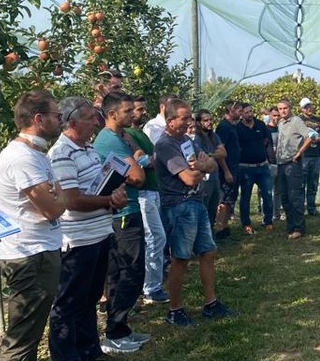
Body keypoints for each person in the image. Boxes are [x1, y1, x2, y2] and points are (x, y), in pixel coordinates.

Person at [47, 97, 130, 358]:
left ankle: (89, 350)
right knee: (69, 303)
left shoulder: (90, 149)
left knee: (90, 298)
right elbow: (71, 200)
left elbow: (100, 186)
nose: (97, 122)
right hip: (78, 240)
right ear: (72, 122)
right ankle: (66, 355)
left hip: (99, 234)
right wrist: (108, 200)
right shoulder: (61, 154)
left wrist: (117, 196)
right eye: (91, 118)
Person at [0, 90, 67, 361]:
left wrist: (59, 195)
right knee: (22, 338)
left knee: (31, 331)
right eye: (56, 115)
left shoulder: (37, 155)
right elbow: (54, 207)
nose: (60, 120)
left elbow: (57, 196)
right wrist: (60, 196)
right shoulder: (23, 158)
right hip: (28, 255)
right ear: (38, 118)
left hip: (38, 251)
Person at [154, 99, 235, 326]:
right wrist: (200, 167)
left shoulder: (187, 141)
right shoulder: (165, 145)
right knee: (180, 258)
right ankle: (174, 310)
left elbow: (211, 164)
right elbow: (189, 178)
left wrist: (199, 166)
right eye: (184, 117)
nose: (189, 121)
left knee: (208, 252)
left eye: (190, 117)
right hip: (179, 207)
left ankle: (211, 303)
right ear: (170, 121)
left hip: (197, 203)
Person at [92, 91, 150, 352]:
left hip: (128, 211)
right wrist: (136, 164)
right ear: (112, 114)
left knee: (129, 272)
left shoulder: (119, 136)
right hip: (123, 215)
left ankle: (121, 328)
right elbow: (138, 177)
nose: (133, 114)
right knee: (128, 272)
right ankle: (114, 332)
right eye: (127, 111)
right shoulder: (108, 140)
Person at [128, 96, 169, 304]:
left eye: (143, 109)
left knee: (155, 237)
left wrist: (148, 159)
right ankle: (151, 287)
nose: (142, 112)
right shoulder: (128, 134)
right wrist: (146, 160)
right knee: (155, 237)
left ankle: (152, 283)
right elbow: (144, 160)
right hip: (142, 193)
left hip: (153, 190)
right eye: (137, 109)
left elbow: (150, 158)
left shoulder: (138, 134)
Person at [275, 99, 313, 240]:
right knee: (285, 197)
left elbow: (310, 137)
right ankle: (290, 226)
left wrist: (299, 152)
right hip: (281, 164)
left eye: (285, 108)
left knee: (294, 196)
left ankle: (299, 228)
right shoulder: (280, 123)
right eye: (280, 109)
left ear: (290, 108)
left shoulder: (296, 121)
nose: (282, 111)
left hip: (293, 164)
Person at [235, 103, 274, 234]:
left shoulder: (260, 125)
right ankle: (246, 223)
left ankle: (268, 221)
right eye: (246, 112)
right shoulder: (238, 128)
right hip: (246, 168)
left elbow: (266, 139)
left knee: (268, 195)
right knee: (245, 197)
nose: (249, 114)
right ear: (241, 114)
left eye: (251, 111)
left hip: (262, 167)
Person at [193, 109, 226, 230]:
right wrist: (214, 155)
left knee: (213, 209)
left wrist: (211, 155)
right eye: (205, 120)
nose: (209, 122)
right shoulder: (196, 139)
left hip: (215, 178)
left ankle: (211, 236)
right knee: (204, 209)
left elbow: (223, 153)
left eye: (210, 119)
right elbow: (202, 158)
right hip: (204, 180)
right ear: (199, 122)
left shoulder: (214, 135)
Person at [213, 101, 242, 237]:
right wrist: (226, 171)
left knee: (230, 198)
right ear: (231, 110)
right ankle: (219, 229)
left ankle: (225, 228)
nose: (241, 113)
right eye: (239, 110)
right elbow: (220, 151)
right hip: (227, 170)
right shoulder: (223, 127)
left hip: (235, 168)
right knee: (223, 200)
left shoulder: (232, 126)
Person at [298, 97, 320, 215]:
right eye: (305, 107)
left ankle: (311, 208)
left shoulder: (319, 120)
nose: (308, 108)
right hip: (303, 155)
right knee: (301, 183)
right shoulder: (298, 120)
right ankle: (300, 208)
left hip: (316, 155)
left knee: (313, 183)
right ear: (301, 109)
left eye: (309, 106)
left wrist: (318, 138)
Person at [265, 107, 282, 221]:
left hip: (281, 162)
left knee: (279, 191)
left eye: (278, 115)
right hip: (270, 163)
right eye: (274, 115)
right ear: (270, 116)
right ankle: (268, 215)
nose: (276, 118)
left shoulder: (282, 128)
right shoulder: (266, 130)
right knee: (268, 191)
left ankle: (277, 214)